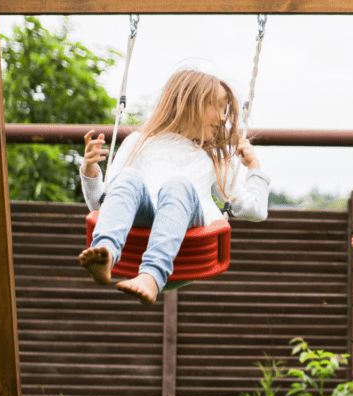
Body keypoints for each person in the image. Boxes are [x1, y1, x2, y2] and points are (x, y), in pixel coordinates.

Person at [78, 69, 270, 305]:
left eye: (225, 110)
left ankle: (151, 276)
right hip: (140, 227)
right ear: (190, 103)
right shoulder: (138, 143)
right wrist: (90, 171)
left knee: (178, 185)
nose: (223, 118)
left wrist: (254, 168)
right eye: (217, 107)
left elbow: (256, 210)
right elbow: (104, 205)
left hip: (189, 242)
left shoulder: (213, 160)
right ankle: (105, 253)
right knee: (127, 177)